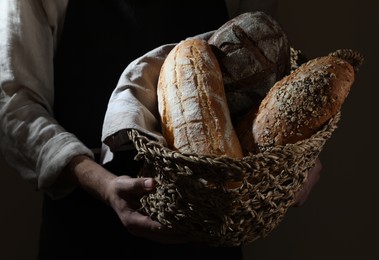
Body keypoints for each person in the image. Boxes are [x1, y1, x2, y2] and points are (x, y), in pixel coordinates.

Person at [0, 0, 321, 259]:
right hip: (88, 226)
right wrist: (102, 184)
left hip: (208, 232)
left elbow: (262, 80)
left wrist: (296, 156)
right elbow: (16, 105)